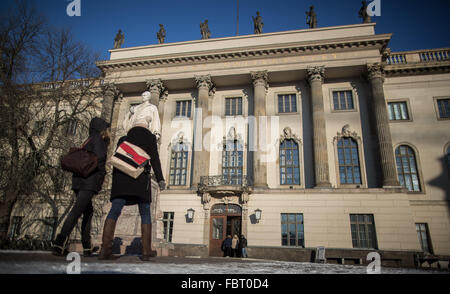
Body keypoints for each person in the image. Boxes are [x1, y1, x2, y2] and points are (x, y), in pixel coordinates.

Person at [98, 92, 165, 261]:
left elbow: (116, 159)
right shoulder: (149, 137)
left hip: (121, 180)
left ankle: (105, 249)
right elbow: (155, 159)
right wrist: (161, 178)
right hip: (139, 179)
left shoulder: (123, 138)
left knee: (114, 211)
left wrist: (115, 182)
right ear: (148, 122)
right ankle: (146, 251)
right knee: (145, 212)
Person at [52, 117, 111, 256]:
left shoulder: (89, 139)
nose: (108, 131)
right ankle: (59, 243)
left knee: (88, 211)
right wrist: (101, 179)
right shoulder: (98, 141)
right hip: (88, 182)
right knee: (77, 211)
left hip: (79, 181)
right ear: (101, 129)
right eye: (106, 128)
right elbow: (100, 160)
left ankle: (86, 245)